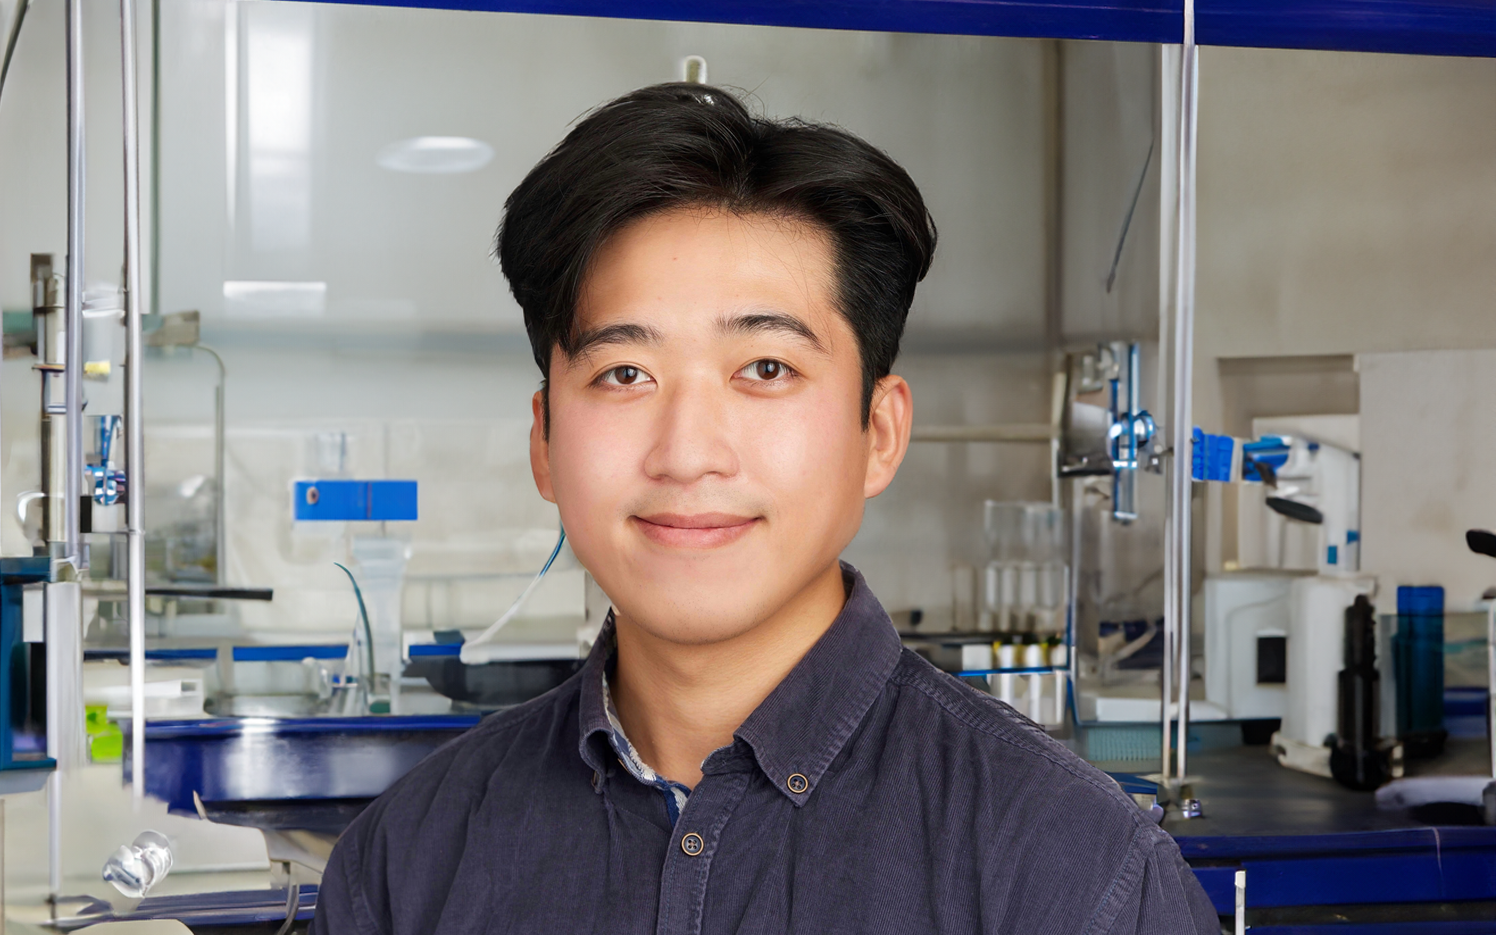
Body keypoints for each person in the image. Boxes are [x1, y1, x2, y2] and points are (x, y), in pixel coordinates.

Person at [312, 84, 1218, 934]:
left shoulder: (1073, 872)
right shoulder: (407, 864)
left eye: (766, 369)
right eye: (624, 374)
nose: (687, 453)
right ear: (545, 440)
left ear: (879, 432)